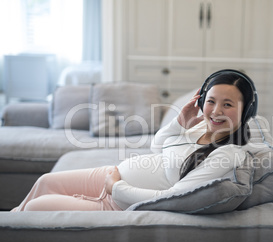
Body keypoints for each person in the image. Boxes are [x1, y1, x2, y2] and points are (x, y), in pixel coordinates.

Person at [11, 70, 258, 211]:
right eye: (211, 101)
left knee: (37, 208)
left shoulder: (228, 155)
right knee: (45, 182)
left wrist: (115, 188)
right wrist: (180, 122)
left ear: (246, 111)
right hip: (110, 175)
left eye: (228, 105)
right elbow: (158, 146)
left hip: (118, 202)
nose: (215, 111)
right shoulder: (201, 127)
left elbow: (176, 197)